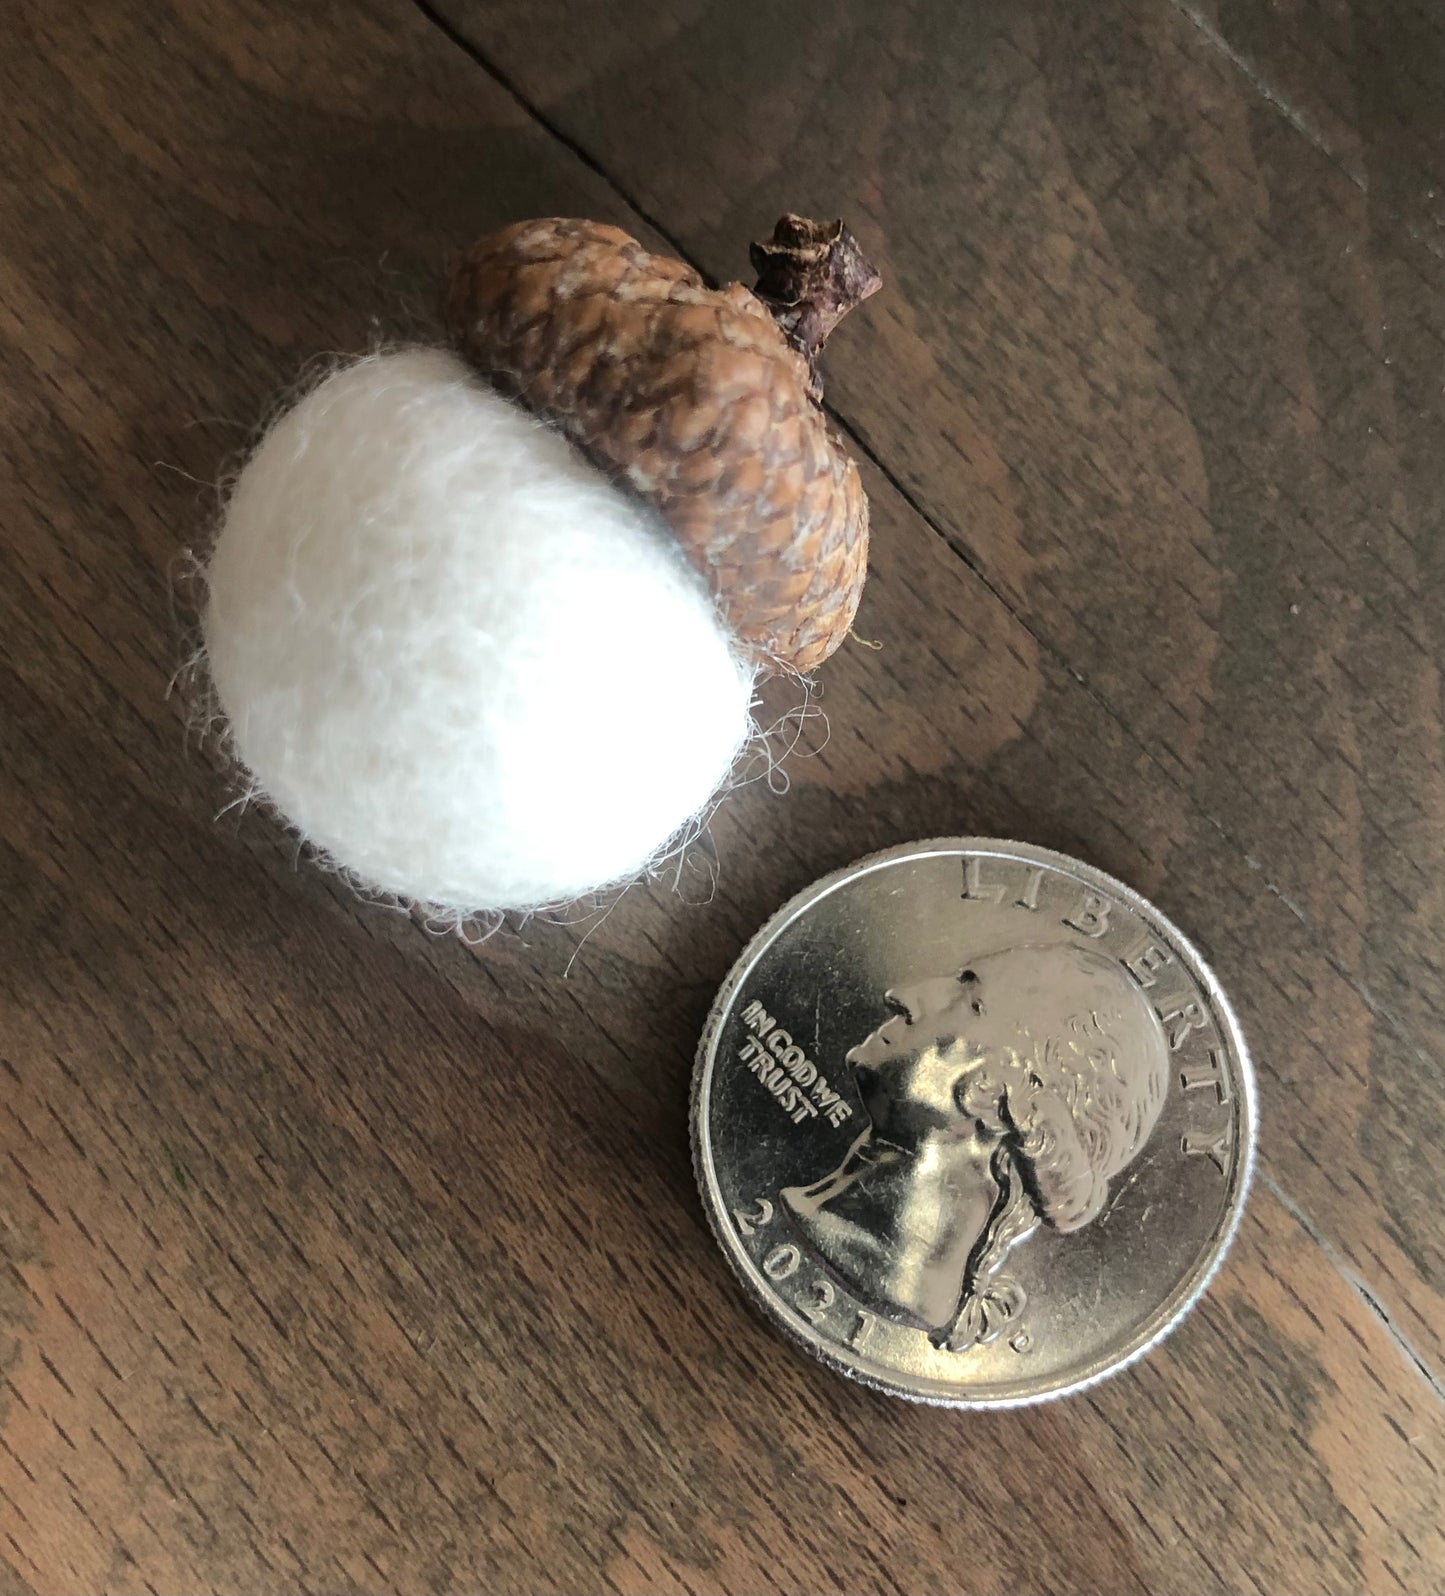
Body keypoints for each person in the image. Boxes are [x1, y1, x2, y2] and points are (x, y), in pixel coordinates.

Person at [781, 943, 1171, 1351]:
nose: (902, 995)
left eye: (969, 1000)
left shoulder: (877, 1266)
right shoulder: (821, 1215)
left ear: (997, 1089)